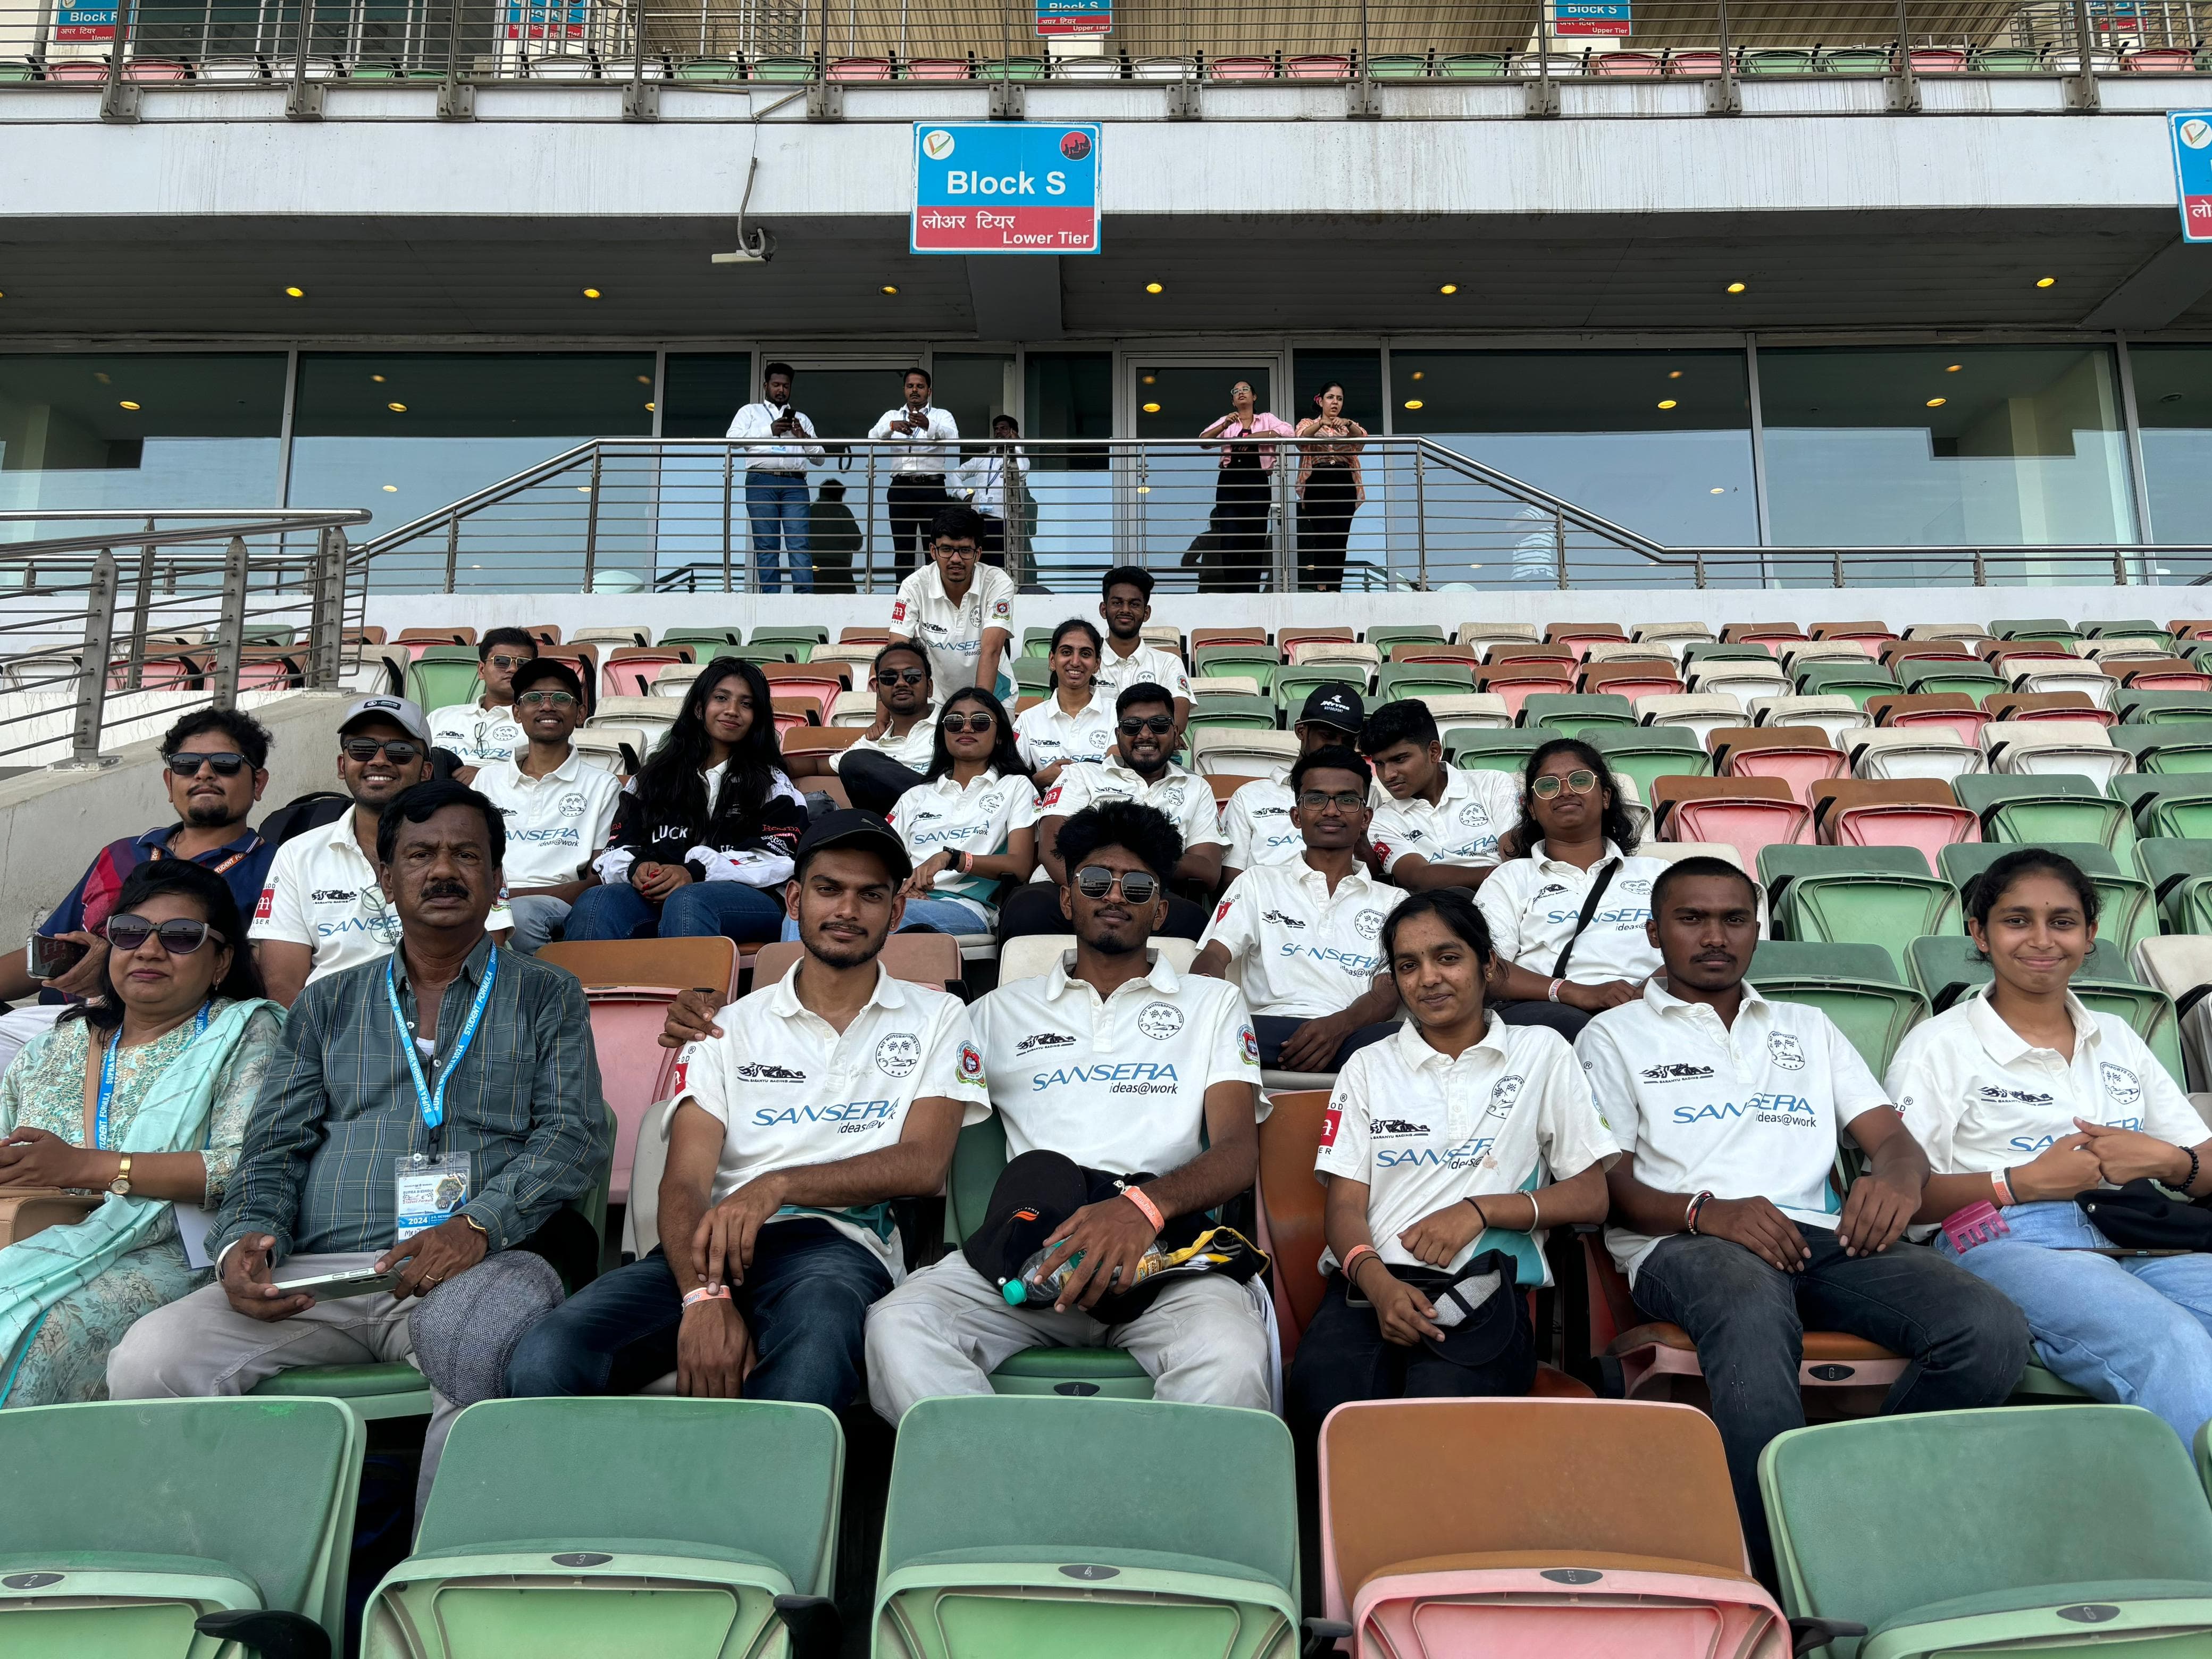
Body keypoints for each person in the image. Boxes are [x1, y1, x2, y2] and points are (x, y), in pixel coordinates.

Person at [110, 781, 613, 1516]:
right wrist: (247, 1238)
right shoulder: (328, 1001)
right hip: (323, 1274)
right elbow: (273, 1144)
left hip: (472, 1267)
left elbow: (573, 1134)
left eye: (466, 855)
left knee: (478, 1342)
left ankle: (434, 1572)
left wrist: (477, 1225)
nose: (443, 871)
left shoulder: (546, 994)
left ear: (497, 877)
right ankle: (239, 1554)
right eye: (420, 855)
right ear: (385, 876)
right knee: (151, 1362)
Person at [1578, 856, 2028, 1578]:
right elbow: (1611, 1187)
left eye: (1734, 919)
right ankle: (1780, 1574)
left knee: (1989, 1328)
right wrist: (1706, 1213)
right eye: (1691, 919)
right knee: (1749, 1305)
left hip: (1819, 1237)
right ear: (1655, 932)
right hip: (1685, 1243)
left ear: (1757, 929)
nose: (1715, 936)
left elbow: (1892, 1140)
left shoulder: (1806, 1026)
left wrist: (1896, 1179)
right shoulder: (1613, 1035)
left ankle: (1853, 1504)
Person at [507, 812, 986, 1410]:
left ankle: (758, 1477)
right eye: (828, 889)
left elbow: (922, 1164)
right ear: (795, 900)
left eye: (870, 895)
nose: (847, 910)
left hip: (841, 1246)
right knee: (545, 1358)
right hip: (710, 1247)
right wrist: (703, 1299)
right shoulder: (724, 1026)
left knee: (813, 1352)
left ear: (896, 913)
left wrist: (776, 1186)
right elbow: (684, 1181)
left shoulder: (938, 1017)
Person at [862, 800, 1271, 1418]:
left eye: (1138, 886)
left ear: (1160, 910)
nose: (1115, 896)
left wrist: (1139, 1209)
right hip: (1028, 1254)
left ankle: (1158, 1488)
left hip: (1163, 1257)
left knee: (1232, 1356)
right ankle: (1002, 1476)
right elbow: (891, 1055)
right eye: (1095, 881)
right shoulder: (995, 1012)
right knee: (897, 1327)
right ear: (1066, 899)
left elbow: (1237, 1153)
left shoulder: (1212, 1004)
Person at [1887, 848, 2212, 1452]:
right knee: (2168, 1342)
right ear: (1979, 934)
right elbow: (1897, 1200)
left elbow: (2203, 1162)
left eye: (2062, 922)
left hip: (2138, 1229)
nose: (2041, 940)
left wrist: (2166, 1161)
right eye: (2017, 921)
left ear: (2089, 935)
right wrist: (2020, 1182)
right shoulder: (1938, 1046)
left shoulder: (2116, 1037)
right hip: (2004, 1239)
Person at [1286, 890, 1616, 1433]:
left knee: (1437, 1424)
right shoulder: (1367, 1066)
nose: (1429, 979)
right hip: (1367, 1288)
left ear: (1488, 965)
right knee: (1326, 1415)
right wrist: (1378, 1285)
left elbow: (1591, 1196)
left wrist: (1479, 1211)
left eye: (1447, 957)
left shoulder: (1542, 1052)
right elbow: (1344, 1208)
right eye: (1407, 966)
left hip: (1482, 1287)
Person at [0, 862, 280, 1406]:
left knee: (48, 1334)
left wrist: (86, 1167)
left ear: (222, 961)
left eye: (181, 937)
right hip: (32, 1240)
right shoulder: (50, 1048)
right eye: (129, 932)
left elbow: (244, 1167)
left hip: (175, 1253)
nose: (149, 950)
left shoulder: (246, 1031)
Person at [0, 708, 276, 1073]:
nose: (204, 773)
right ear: (169, 782)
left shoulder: (280, 866)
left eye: (225, 764)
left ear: (258, 783)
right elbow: (44, 950)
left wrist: (113, 969)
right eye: (187, 765)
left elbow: (267, 980)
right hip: (60, 1021)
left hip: (182, 1031)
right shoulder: (120, 854)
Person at [253, 697, 512, 1008]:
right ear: (342, 765)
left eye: (399, 751)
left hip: (446, 1020)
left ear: (426, 770)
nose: (379, 760)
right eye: (362, 748)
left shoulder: (467, 849)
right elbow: (283, 985)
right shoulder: (297, 855)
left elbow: (485, 957)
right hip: (329, 1026)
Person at [564, 659, 806, 946]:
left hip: (753, 900)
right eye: (721, 698)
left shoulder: (773, 784)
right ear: (699, 708)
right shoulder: (651, 779)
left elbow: (780, 860)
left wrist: (694, 872)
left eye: (746, 704)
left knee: (689, 900)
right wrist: (638, 868)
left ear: (757, 717)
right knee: (596, 902)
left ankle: (689, 979)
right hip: (660, 897)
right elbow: (617, 848)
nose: (732, 710)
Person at [1195, 745, 1405, 1074]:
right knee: (1218, 1033)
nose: (1331, 811)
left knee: (1403, 1041)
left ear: (1365, 817)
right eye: (1316, 799)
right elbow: (1213, 956)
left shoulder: (1395, 901)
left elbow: (1389, 990)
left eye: (1347, 800)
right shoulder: (1258, 882)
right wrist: (1203, 1005)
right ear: (1296, 816)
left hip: (1354, 1035)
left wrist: (1338, 1026)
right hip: (1267, 1029)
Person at [1474, 738, 1673, 1040]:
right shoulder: (1510, 878)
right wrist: (1574, 992)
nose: (1565, 791)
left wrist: (1653, 987)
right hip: (1550, 1013)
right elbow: (1485, 967)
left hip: (1653, 1004)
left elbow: (1697, 945)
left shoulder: (1657, 873)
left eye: (1580, 780)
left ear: (1605, 797)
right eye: (1548, 785)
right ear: (1532, 808)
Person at [999, 682, 1225, 945]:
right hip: (1070, 889)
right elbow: (1051, 850)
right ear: (1118, 734)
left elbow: (1208, 871)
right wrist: (1089, 893)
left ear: (1175, 733)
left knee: (1191, 921)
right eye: (1132, 726)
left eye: (1159, 725)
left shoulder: (1196, 788)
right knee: (1026, 911)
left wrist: (1132, 869)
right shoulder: (1080, 775)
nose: (1145, 735)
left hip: (1150, 896)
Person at [470, 659, 621, 954]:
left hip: (555, 906)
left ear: (580, 713)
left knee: (519, 915)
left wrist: (505, 899)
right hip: (485, 898)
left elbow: (598, 879)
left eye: (561, 698)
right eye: (534, 698)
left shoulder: (603, 786)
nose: (548, 706)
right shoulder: (486, 780)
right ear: (517, 712)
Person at [879, 687, 1038, 937]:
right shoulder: (915, 796)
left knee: (876, 919)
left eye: (980, 722)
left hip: (965, 907)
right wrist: (901, 893)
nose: (966, 728)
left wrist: (952, 859)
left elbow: (1020, 865)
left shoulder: (1015, 786)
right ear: (943, 734)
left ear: (999, 736)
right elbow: (883, 862)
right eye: (954, 722)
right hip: (900, 901)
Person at [1358, 699, 1521, 893]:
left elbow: (1514, 853)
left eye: (1399, 759)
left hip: (1512, 896)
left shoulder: (1493, 783)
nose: (1388, 775)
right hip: (1443, 906)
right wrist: (1503, 876)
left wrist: (1511, 880)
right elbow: (1418, 878)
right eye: (1379, 764)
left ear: (1434, 752)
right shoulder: (1382, 820)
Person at [1222, 684, 1367, 887]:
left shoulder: (1364, 794)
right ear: (1301, 730)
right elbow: (1231, 882)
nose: (1337, 747)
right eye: (1328, 736)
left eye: (1348, 741)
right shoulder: (1250, 796)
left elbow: (1374, 875)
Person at [786, 642, 939, 817]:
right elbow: (817, 766)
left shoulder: (952, 726)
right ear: (879, 693)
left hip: (944, 817)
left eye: (912, 676)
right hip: (891, 828)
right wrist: (768, 765)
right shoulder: (871, 743)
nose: (901, 683)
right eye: (889, 678)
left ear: (930, 687)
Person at [887, 505, 1013, 697]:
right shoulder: (914, 585)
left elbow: (991, 651)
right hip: (937, 699)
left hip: (994, 696)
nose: (956, 559)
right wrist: (885, 716)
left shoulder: (997, 582)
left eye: (965, 550)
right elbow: (896, 654)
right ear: (933, 551)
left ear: (978, 553)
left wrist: (979, 708)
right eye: (946, 549)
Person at [726, 361, 824, 595]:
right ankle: (770, 598)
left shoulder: (801, 419)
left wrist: (803, 437)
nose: (781, 390)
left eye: (786, 386)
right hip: (761, 482)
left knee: (799, 542)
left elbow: (820, 458)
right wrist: (769, 431)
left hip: (795, 484)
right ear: (766, 386)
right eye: (776, 385)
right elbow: (732, 440)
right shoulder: (750, 412)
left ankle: (804, 597)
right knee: (766, 543)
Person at [1199, 381, 1295, 591]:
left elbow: (1288, 432)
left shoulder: (1266, 419)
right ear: (1233, 401)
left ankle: (1251, 590)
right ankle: (1233, 591)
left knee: (1255, 537)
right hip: (1230, 481)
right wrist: (1224, 426)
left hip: (1256, 481)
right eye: (1236, 391)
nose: (1241, 393)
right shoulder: (1228, 421)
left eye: (1245, 390)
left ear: (1254, 397)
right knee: (1230, 538)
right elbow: (1204, 441)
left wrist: (1252, 438)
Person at [870, 367, 960, 580]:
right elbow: (872, 437)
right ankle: (904, 595)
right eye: (910, 386)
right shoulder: (892, 416)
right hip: (901, 488)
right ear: (904, 389)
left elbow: (954, 438)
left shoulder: (941, 415)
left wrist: (930, 426)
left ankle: (936, 594)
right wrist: (892, 427)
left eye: (920, 386)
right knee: (903, 548)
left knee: (936, 546)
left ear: (929, 391)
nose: (915, 390)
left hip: (932, 487)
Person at [1092, 566, 1192, 740]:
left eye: (1134, 604)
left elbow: (1178, 723)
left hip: (1150, 753)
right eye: (1117, 603)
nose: (1125, 610)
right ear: (1103, 609)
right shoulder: (1087, 663)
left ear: (1146, 613)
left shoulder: (1168, 663)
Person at [1013, 618, 1114, 790]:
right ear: (1052, 660)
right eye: (1066, 652)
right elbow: (1009, 783)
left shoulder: (1116, 714)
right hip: (1047, 805)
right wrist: (1040, 779)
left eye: (1085, 654)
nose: (1075, 662)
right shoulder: (1029, 719)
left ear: (1097, 664)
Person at [1295, 382, 1368, 593]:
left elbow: (1362, 440)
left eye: (1339, 398)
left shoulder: (1348, 426)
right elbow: (1300, 439)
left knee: (1340, 537)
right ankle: (1322, 587)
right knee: (1324, 534)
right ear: (1320, 401)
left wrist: (1348, 423)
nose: (1335, 402)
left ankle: (1335, 587)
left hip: (1344, 481)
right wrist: (1322, 423)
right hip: (1319, 480)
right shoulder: (1309, 422)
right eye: (1330, 397)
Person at [428, 627, 538, 767]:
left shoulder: (539, 724)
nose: (513, 669)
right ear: (481, 670)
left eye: (523, 664)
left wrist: (485, 775)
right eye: (501, 661)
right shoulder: (439, 718)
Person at [956, 413, 1031, 569]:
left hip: (1002, 520)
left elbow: (1022, 471)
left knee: (998, 566)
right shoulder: (983, 459)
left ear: (1013, 432)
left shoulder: (1017, 459)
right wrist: (965, 496)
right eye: (996, 429)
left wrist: (1016, 445)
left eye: (1004, 429)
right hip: (978, 520)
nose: (998, 432)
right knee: (977, 565)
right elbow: (955, 474)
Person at [808, 477, 862, 595]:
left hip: (814, 567)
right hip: (840, 568)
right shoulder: (842, 512)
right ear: (837, 496)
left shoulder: (809, 512)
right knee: (848, 604)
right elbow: (856, 542)